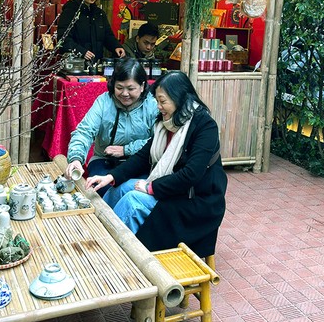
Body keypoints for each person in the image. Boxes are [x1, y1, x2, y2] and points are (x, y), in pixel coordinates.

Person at [86, 71, 227, 258]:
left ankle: (110, 254)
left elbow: (191, 174)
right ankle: (98, 235)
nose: (158, 106)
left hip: (196, 200)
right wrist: (111, 177)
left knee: (133, 201)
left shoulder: (205, 126)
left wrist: (151, 187)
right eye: (157, 101)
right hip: (173, 189)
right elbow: (143, 156)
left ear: (179, 98)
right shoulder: (166, 122)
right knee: (118, 188)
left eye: (162, 101)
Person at [64, 58, 158, 196]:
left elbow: (158, 141)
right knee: (100, 187)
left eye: (131, 89)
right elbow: (84, 132)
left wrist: (126, 150)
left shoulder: (153, 105)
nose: (124, 93)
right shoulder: (104, 102)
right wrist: (76, 158)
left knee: (135, 190)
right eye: (119, 88)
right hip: (104, 160)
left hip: (140, 162)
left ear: (142, 86)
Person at [57, 0, 125, 62]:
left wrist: (116, 46)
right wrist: (81, 51)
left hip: (96, 63)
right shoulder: (71, 11)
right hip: (75, 63)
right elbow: (63, 38)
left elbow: (107, 35)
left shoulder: (99, 14)